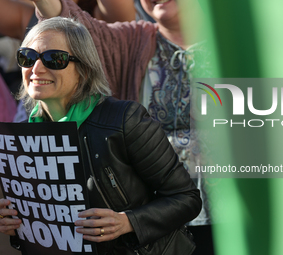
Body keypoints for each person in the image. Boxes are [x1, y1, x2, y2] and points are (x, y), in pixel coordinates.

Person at [0, 16, 201, 255]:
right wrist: (19, 225)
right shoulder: (23, 136)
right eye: (28, 57)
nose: (36, 68)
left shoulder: (125, 120)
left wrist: (127, 222)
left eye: (55, 59)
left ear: (84, 70)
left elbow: (186, 198)